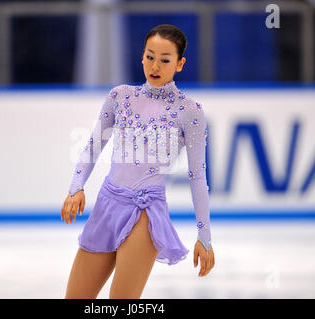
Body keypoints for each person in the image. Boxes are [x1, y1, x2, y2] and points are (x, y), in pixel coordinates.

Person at [62, 24, 215, 299]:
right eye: (150, 56)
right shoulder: (120, 96)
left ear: (180, 64)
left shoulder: (189, 112)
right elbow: (94, 145)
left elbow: (198, 177)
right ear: (142, 56)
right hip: (108, 204)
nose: (155, 66)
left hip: (145, 212)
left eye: (165, 60)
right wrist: (76, 186)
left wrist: (204, 236)